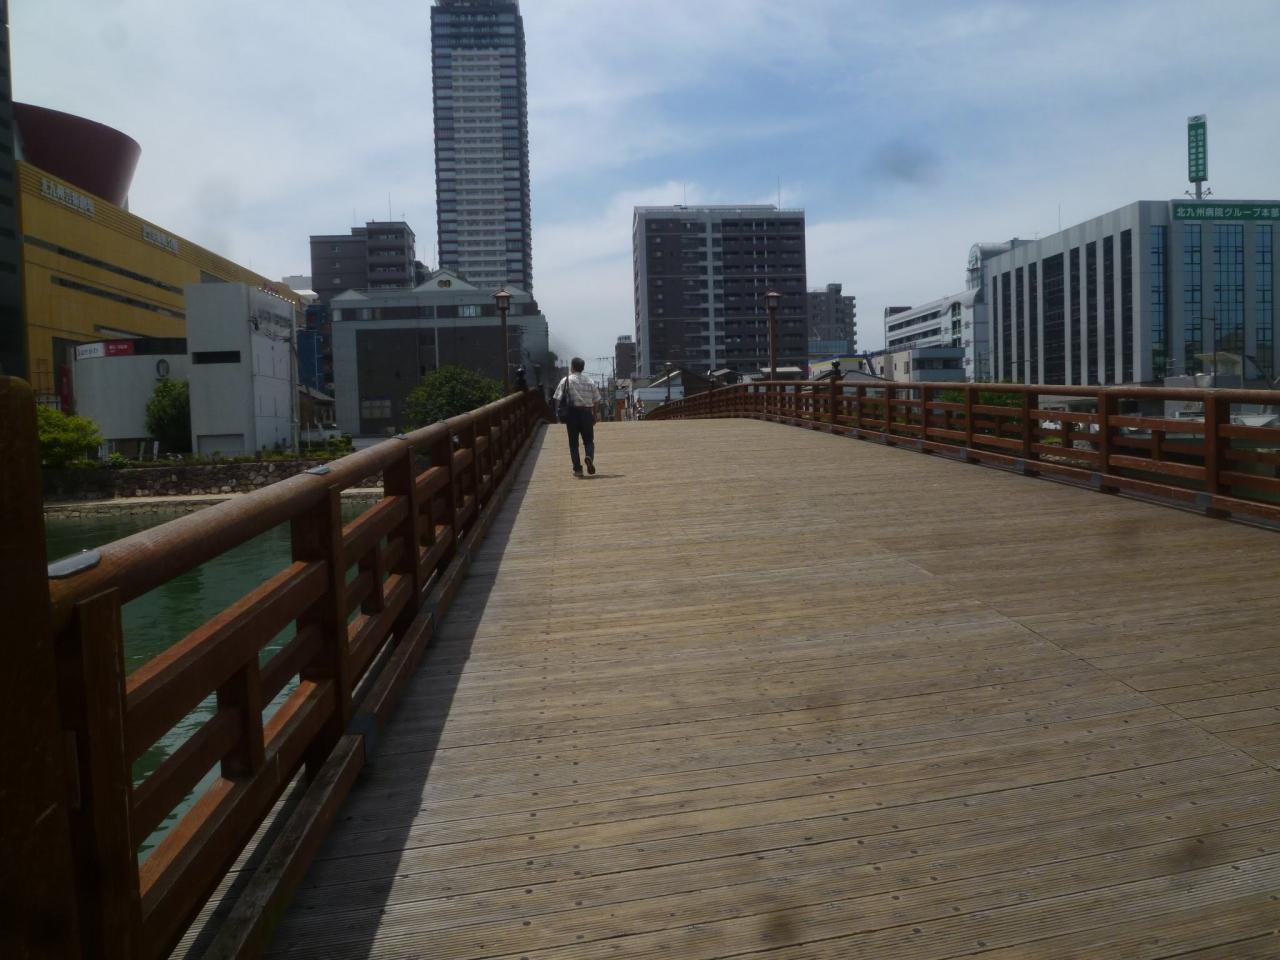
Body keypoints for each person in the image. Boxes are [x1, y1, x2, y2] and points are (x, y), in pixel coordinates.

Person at [553, 357, 603, 477]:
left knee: (573, 444)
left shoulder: (566, 380)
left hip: (572, 414)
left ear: (572, 367)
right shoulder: (590, 381)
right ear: (582, 368)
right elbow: (597, 400)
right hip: (586, 413)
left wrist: (557, 413)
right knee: (589, 441)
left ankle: (578, 470)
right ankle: (589, 457)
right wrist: (594, 414)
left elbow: (557, 398)